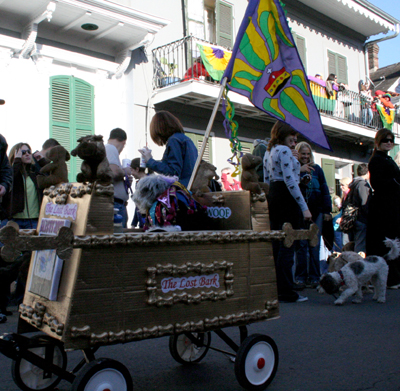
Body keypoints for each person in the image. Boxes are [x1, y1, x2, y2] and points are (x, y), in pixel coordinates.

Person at [263, 121, 311, 303]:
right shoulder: (283, 151)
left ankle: (276, 288)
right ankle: (286, 291)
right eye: (293, 135)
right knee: (287, 245)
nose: (295, 139)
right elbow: (291, 181)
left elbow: (268, 179)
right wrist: (304, 208)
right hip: (285, 198)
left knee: (277, 245)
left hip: (274, 196)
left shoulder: (270, 151)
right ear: (283, 133)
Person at [294, 142, 332, 289]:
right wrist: (299, 173)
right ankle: (300, 277)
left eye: (307, 154)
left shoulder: (317, 170)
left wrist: (327, 210)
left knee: (314, 245)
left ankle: (315, 277)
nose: (305, 156)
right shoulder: (294, 168)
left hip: (317, 212)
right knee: (301, 245)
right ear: (298, 154)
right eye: (303, 153)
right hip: (300, 212)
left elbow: (324, 190)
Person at [367, 128, 400, 289]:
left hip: (392, 206)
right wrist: (395, 181)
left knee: (393, 241)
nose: (388, 143)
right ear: (378, 142)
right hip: (382, 208)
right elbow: (378, 184)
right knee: (384, 243)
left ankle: (393, 277)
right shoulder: (376, 160)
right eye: (385, 140)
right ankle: (386, 279)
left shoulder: (388, 160)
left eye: (390, 140)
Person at [139, 111, 198, 188]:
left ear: (159, 130)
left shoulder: (174, 140)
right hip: (191, 189)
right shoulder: (186, 139)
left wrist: (150, 161)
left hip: (182, 190)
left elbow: (173, 172)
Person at [2, 143, 42, 230]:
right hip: (13, 220)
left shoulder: (34, 173)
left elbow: (47, 177)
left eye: (29, 151)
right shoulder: (11, 172)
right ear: (16, 155)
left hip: (33, 220)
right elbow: (10, 179)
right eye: (23, 152)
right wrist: (17, 161)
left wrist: (42, 161)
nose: (27, 154)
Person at [105, 128, 132, 228]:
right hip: (116, 204)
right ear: (123, 142)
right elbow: (114, 172)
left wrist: (125, 181)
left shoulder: (106, 149)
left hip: (116, 204)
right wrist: (126, 171)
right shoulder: (111, 148)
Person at [343, 164, 372, 253]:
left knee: (355, 243)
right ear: (368, 173)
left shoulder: (354, 184)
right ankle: (359, 264)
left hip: (354, 218)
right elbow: (364, 202)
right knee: (360, 245)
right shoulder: (362, 184)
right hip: (361, 219)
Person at [130, 158, 153, 229]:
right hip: (141, 222)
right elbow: (138, 205)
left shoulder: (150, 182)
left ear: (137, 169)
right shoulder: (138, 183)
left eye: (132, 170)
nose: (131, 173)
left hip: (150, 222)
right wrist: (134, 224)